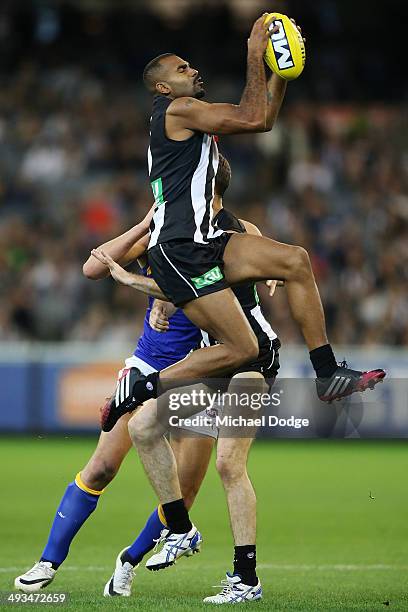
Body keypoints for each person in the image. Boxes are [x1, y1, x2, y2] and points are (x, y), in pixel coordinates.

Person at [101, 14, 384, 436]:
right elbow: (252, 116)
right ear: (163, 87)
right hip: (178, 247)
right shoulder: (176, 111)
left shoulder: (187, 113)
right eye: (182, 69)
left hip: (207, 237)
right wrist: (255, 53)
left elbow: (263, 119)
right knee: (241, 349)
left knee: (295, 261)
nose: (193, 71)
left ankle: (327, 374)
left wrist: (280, 72)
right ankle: (140, 387)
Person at [93, 154, 281, 603]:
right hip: (218, 360)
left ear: (201, 188)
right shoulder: (193, 236)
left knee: (228, 464)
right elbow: (190, 287)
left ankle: (247, 579)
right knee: (143, 426)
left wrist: (138, 284)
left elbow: (205, 283)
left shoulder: (233, 234)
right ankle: (180, 528)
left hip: (253, 360)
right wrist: (155, 292)